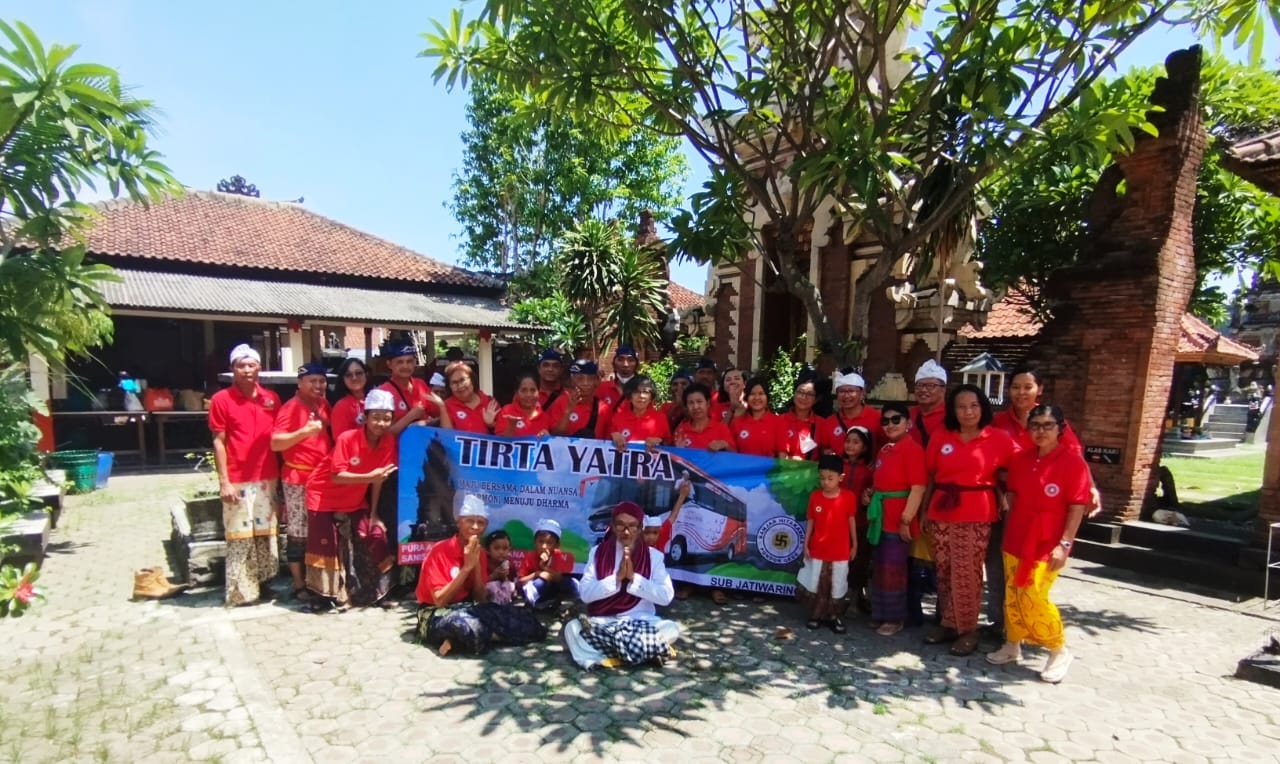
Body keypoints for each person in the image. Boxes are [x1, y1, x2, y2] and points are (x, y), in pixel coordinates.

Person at [987, 404, 1089, 683]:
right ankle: (1012, 643)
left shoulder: (1073, 462)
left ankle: (1057, 649)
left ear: (1060, 429)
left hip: (1047, 542)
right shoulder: (1021, 459)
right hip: (1016, 537)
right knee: (1012, 594)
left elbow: (1077, 506)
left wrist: (1064, 544)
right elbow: (1013, 496)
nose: (1041, 431)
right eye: (1035, 425)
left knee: (1034, 595)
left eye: (1047, 425)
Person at [922, 384, 1019, 656]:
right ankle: (948, 623)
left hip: (976, 511)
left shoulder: (997, 438)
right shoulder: (942, 435)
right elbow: (931, 475)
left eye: (974, 406)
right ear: (953, 410)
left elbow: (1020, 467)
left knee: (967, 572)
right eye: (961, 407)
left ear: (983, 408)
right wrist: (923, 511)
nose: (968, 412)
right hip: (941, 509)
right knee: (944, 571)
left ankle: (968, 630)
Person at [414, 495, 547, 656]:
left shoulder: (481, 553)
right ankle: (466, 636)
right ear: (459, 522)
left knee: (524, 619)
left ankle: (458, 640)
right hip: (434, 612)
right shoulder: (439, 551)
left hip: (468, 607)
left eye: (481, 522)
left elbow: (480, 598)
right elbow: (440, 600)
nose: (475, 527)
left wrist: (476, 564)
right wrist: (466, 568)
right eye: (470, 521)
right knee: (465, 624)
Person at [303, 389, 398, 610]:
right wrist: (370, 477)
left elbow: (379, 480)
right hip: (323, 495)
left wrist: (374, 514)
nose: (381, 423)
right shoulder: (347, 438)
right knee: (326, 544)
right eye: (376, 417)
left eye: (386, 418)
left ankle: (375, 593)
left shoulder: (388, 441)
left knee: (373, 534)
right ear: (366, 417)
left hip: (355, 498)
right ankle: (325, 597)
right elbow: (337, 475)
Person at [561, 501, 680, 670]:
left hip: (639, 622)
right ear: (613, 526)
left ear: (640, 528)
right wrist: (616, 579)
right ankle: (645, 650)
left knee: (671, 629)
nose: (626, 531)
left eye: (632, 526)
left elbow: (666, 596)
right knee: (572, 629)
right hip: (605, 622)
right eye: (621, 525)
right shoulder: (598, 553)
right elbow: (585, 594)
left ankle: (610, 654)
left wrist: (634, 578)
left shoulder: (653, 557)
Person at [208, 344, 282, 607]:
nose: (247, 370)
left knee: (265, 533)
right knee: (239, 534)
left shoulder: (271, 398)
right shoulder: (221, 400)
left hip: (267, 475)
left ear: (259, 367)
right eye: (241, 365)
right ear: (233, 369)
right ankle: (241, 592)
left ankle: (264, 584)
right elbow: (219, 441)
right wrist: (224, 481)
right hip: (238, 477)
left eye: (251, 365)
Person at [270, 361, 333, 601]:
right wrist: (303, 433)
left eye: (322, 381)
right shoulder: (291, 407)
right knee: (298, 533)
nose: (318, 385)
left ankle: (317, 581)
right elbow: (276, 443)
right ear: (300, 383)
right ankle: (298, 584)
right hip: (298, 478)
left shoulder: (323, 404)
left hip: (322, 478)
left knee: (319, 531)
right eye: (312, 381)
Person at [867, 402, 927, 636]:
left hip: (898, 518)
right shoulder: (884, 450)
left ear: (908, 423)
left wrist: (906, 519)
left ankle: (895, 617)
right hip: (881, 517)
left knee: (894, 569)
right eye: (885, 421)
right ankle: (880, 612)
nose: (890, 425)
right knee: (880, 567)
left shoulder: (913, 450)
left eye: (896, 420)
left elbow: (918, 487)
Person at [797, 454, 858, 633]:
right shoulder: (815, 497)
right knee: (816, 581)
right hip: (818, 549)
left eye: (830, 478)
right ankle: (815, 615)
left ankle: (834, 616)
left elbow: (851, 521)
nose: (826, 482)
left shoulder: (848, 497)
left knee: (837, 583)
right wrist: (806, 544)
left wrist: (855, 544)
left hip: (840, 551)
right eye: (822, 478)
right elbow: (811, 522)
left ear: (841, 478)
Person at [841, 426, 875, 616]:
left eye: (856, 442)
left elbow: (872, 492)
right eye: (848, 441)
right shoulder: (838, 465)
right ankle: (837, 598)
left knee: (859, 561)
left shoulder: (869, 471)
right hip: (837, 522)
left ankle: (855, 599)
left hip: (860, 523)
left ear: (865, 447)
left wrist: (867, 498)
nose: (850, 445)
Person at [378, 341, 443, 434]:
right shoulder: (382, 392)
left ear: (415, 362)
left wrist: (426, 422)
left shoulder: (420, 385)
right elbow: (382, 434)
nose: (405, 366)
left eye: (409, 361)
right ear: (389, 364)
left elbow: (440, 416)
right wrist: (410, 417)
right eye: (400, 362)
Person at [518, 518, 578, 610]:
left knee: (569, 582)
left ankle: (576, 598)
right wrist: (537, 574)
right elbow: (520, 581)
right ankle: (532, 599)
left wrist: (544, 567)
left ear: (556, 545)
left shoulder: (557, 555)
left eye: (549, 543)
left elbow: (558, 578)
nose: (544, 546)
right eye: (541, 541)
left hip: (552, 589)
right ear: (535, 542)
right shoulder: (530, 556)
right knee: (541, 581)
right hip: (536, 589)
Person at [821, 371, 881, 455]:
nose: (846, 396)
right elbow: (824, 449)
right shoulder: (829, 422)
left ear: (862, 394)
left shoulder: (877, 418)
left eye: (851, 391)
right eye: (842, 391)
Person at [549, 359, 612, 439]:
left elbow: (608, 439)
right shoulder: (561, 402)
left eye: (590, 379)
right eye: (580, 378)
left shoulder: (603, 408)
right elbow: (555, 436)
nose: (585, 383)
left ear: (596, 381)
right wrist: (568, 411)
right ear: (572, 380)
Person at [607, 375, 671, 450]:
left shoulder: (660, 419)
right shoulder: (618, 418)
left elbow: (670, 445)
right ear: (630, 397)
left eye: (645, 392)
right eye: (636, 392)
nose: (641, 396)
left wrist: (660, 441)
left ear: (651, 398)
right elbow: (604, 443)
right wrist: (614, 437)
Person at [731, 376, 787, 458]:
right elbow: (731, 454)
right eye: (752, 394)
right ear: (747, 397)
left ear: (767, 396)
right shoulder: (737, 422)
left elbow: (782, 456)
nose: (757, 398)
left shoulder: (779, 422)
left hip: (769, 467)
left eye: (761, 393)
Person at [440, 360, 499, 435]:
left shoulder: (489, 402)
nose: (460, 386)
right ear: (449, 386)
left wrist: (491, 424)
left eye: (462, 380)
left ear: (472, 380)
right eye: (454, 383)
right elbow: (446, 437)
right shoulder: (447, 405)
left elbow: (505, 435)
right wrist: (441, 407)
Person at [672, 383, 736, 452]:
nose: (695, 407)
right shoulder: (680, 430)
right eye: (691, 403)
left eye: (699, 402)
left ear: (708, 403)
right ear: (686, 407)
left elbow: (734, 454)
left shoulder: (721, 428)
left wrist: (724, 445)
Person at [780, 376, 826, 461]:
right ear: (794, 394)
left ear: (816, 400)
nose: (804, 397)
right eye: (800, 392)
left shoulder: (822, 424)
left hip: (811, 469)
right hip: (783, 468)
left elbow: (825, 454)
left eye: (809, 394)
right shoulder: (780, 421)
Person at [497, 371, 551, 436]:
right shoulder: (506, 411)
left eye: (533, 390)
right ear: (516, 393)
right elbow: (499, 441)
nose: (528, 395)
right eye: (524, 390)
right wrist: (511, 426)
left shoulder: (544, 417)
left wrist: (547, 438)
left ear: (538, 392)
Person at [909, 360, 948, 448]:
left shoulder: (952, 415)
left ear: (943, 389)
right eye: (919, 386)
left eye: (930, 386)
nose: (923, 390)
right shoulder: (909, 414)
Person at [330, 358, 370, 439]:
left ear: (366, 374)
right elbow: (340, 440)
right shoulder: (341, 407)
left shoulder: (375, 399)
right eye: (348, 375)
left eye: (358, 373)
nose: (354, 378)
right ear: (343, 379)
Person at [484, 530, 518, 605]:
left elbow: (514, 583)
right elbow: (479, 585)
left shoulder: (510, 565)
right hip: (487, 597)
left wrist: (505, 578)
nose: (501, 552)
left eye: (505, 548)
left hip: (505, 596)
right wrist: (493, 576)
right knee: (492, 585)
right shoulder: (484, 563)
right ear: (488, 550)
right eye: (496, 548)